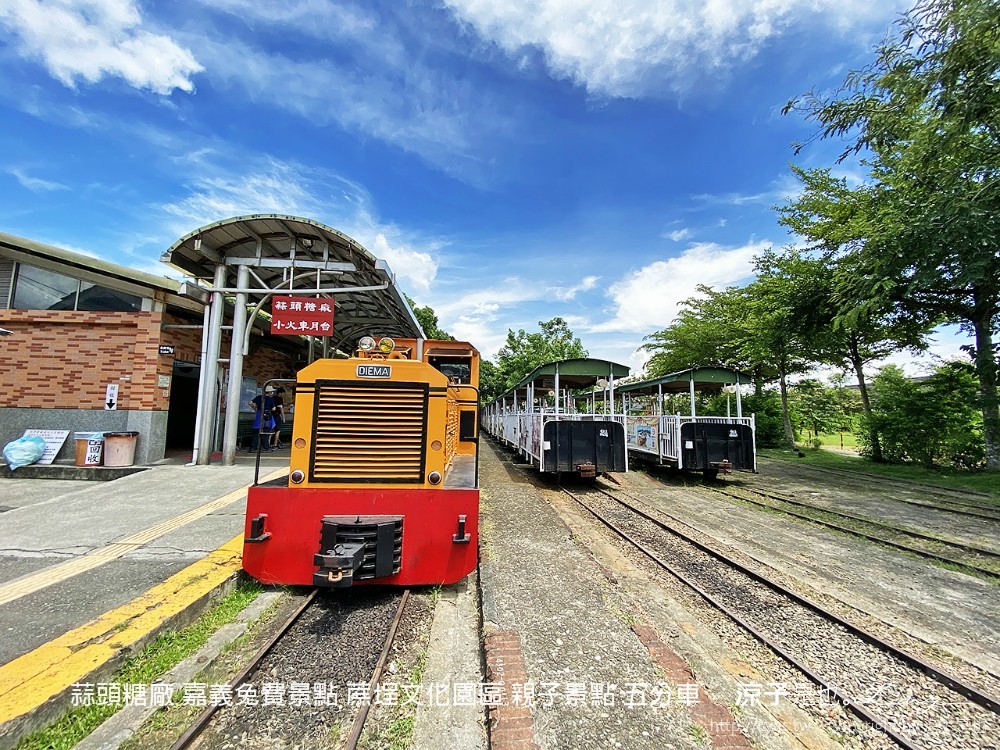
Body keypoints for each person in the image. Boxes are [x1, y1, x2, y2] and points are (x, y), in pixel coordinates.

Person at [249, 386, 276, 451]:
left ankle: (253, 447)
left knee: (256, 431)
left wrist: (255, 409)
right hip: (267, 415)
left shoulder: (259, 397)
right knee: (266, 431)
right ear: (269, 392)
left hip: (259, 414)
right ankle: (265, 447)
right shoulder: (270, 399)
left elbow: (250, 403)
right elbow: (273, 408)